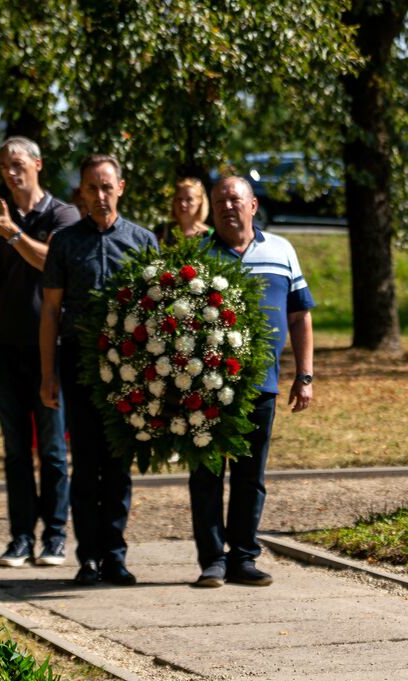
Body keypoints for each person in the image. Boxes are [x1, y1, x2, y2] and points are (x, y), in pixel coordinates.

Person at [0, 137, 81, 567]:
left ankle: (54, 536)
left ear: (37, 164)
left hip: (50, 347)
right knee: (14, 450)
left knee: (51, 447)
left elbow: (56, 263)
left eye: (18, 164)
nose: (12, 173)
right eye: (4, 166)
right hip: (7, 345)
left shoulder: (62, 214)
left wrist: (13, 232)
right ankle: (18, 539)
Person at [190, 175, 315, 588]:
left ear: (253, 205)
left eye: (235, 199)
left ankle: (243, 556)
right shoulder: (198, 254)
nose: (228, 206)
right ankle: (212, 560)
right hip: (205, 387)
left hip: (261, 384)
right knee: (207, 474)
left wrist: (305, 375)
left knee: (250, 475)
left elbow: (300, 315)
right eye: (220, 200)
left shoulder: (282, 251)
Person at [39, 154, 157, 585]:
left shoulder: (143, 240)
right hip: (79, 361)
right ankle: (88, 556)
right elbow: (51, 311)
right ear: (81, 193)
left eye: (107, 187)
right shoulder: (65, 241)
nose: (100, 196)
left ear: (121, 188)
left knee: (119, 462)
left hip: (130, 367)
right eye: (92, 188)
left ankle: (115, 553)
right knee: (86, 463)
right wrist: (48, 373)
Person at [152, 178, 210, 245]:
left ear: (200, 203)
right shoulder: (161, 231)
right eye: (179, 199)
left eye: (189, 199)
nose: (182, 204)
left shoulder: (209, 234)